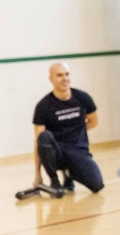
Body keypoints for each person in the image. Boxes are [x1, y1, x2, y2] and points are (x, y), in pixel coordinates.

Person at [32, 63, 103, 193]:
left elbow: (93, 121)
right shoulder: (43, 106)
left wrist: (75, 132)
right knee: (44, 137)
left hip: (78, 151)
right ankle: (54, 181)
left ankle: (69, 174)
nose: (65, 78)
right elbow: (39, 141)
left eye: (67, 74)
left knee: (97, 185)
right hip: (57, 152)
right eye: (59, 75)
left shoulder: (83, 98)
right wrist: (37, 175)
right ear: (51, 79)